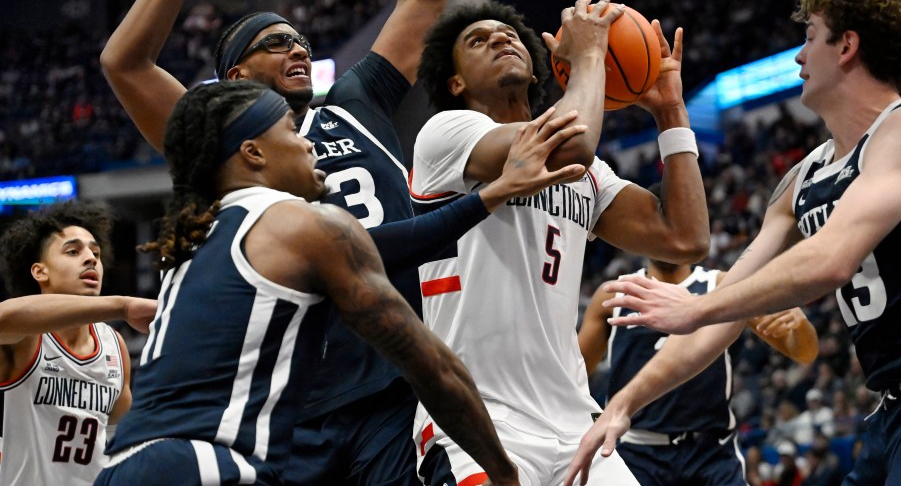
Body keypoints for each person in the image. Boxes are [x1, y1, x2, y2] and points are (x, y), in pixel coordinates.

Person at [99, 0, 465, 482]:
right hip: (285, 409)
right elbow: (124, 62)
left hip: (388, 389)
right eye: (273, 43)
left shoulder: (353, 102)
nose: (296, 46)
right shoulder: (220, 138)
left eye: (299, 40)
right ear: (234, 77)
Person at [566, 0, 901, 485]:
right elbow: (722, 316)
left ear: (847, 45)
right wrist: (623, 403)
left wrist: (695, 306)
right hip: (893, 411)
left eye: (809, 39)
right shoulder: (802, 178)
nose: (798, 57)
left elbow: (831, 259)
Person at [96, 79, 589, 484]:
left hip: (123, 465)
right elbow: (433, 367)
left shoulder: (194, 239)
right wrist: (502, 471)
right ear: (253, 153)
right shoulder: (302, 224)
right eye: (291, 130)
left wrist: (496, 192)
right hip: (204, 465)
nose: (309, 143)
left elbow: (392, 243)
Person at [410, 0, 711, 485]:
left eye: (507, 35)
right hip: (478, 420)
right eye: (478, 40)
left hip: (574, 421)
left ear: (536, 71)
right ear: (456, 81)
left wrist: (671, 113)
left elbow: (685, 237)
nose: (499, 39)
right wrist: (592, 51)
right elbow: (572, 144)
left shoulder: (589, 177)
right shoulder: (448, 135)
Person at [576, 205, 819, 486]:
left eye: (675, 225)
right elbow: (574, 376)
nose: (666, 235)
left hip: (710, 452)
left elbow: (805, 352)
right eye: (658, 225)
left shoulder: (724, 285)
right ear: (641, 230)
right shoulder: (615, 294)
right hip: (636, 451)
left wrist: (797, 325)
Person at [0, 202, 157, 486]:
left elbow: (122, 444)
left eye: (95, 253)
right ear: (40, 272)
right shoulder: (26, 338)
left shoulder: (114, 345)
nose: (90, 259)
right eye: (73, 251)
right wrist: (123, 306)